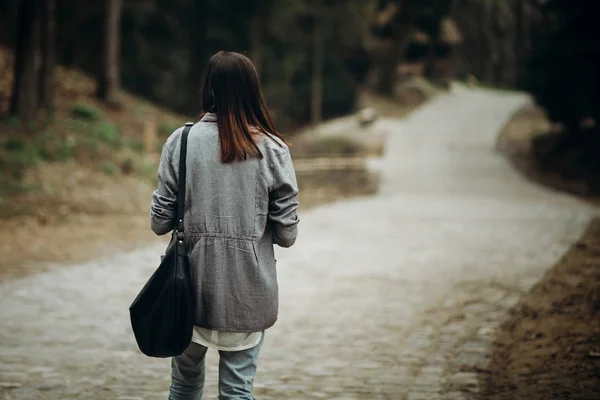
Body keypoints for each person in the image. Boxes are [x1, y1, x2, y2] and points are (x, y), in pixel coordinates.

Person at [150, 51, 299, 400]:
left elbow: (159, 221)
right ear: (252, 90)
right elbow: (288, 234)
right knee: (237, 392)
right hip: (247, 291)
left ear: (209, 88)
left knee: (184, 387)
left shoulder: (181, 141)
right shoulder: (274, 149)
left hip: (188, 290)